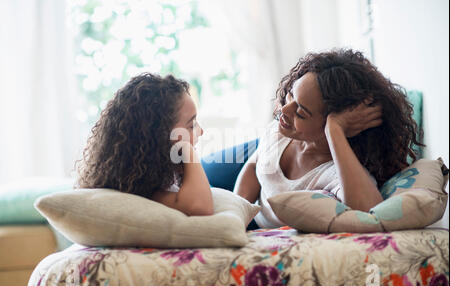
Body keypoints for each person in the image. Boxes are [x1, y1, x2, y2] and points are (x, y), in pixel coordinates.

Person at [234, 48, 424, 229]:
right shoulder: (279, 130)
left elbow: (370, 213)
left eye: (300, 112)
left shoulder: (334, 172)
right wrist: (235, 215)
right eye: (291, 95)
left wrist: (335, 130)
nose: (284, 109)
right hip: (249, 191)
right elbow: (254, 166)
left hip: (263, 220)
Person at [75, 73, 214, 216]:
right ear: (160, 135)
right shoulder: (142, 191)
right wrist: (187, 149)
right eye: (191, 125)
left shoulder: (154, 179)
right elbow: (200, 207)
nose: (201, 131)